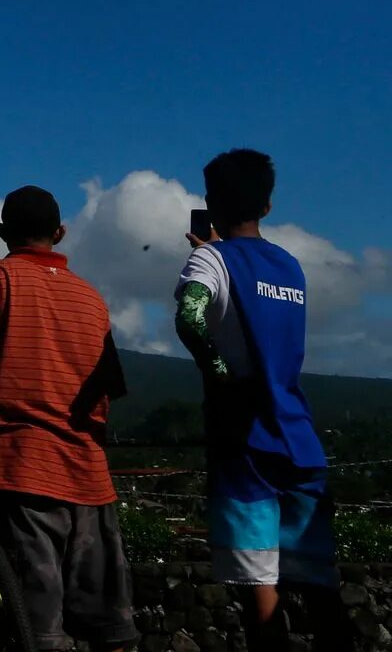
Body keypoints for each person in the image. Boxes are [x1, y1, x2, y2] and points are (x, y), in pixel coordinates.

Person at [0, 185, 136, 652]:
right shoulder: (91, 300)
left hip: (19, 473)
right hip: (89, 480)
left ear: (2, 232)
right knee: (109, 631)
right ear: (60, 232)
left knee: (35, 632)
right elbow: (109, 385)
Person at [176, 149, 339, 652]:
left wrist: (219, 369)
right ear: (267, 205)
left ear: (210, 201)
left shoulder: (210, 258)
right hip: (298, 437)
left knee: (259, 587)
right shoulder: (290, 267)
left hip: (244, 443)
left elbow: (190, 315)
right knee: (319, 584)